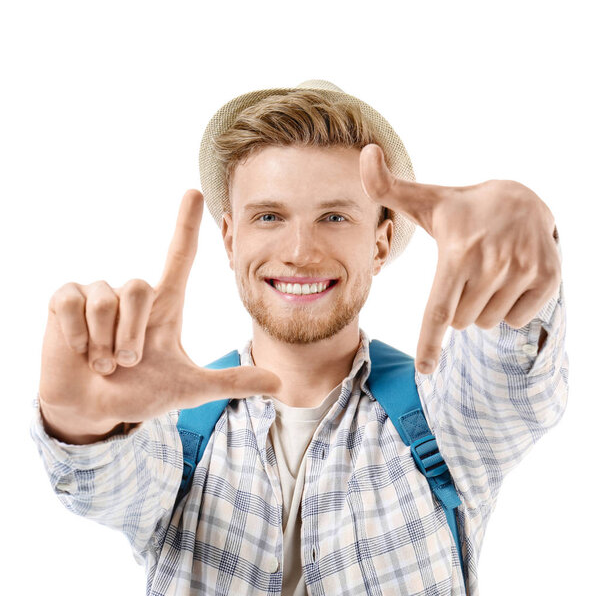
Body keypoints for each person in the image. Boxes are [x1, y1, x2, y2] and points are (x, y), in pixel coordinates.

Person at [30, 79, 568, 596]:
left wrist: (525, 239)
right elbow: (104, 481)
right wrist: (81, 425)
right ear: (230, 237)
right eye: (269, 216)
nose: (299, 251)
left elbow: (516, 370)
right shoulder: (174, 432)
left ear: (380, 243)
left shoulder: (443, 416)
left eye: (334, 216)